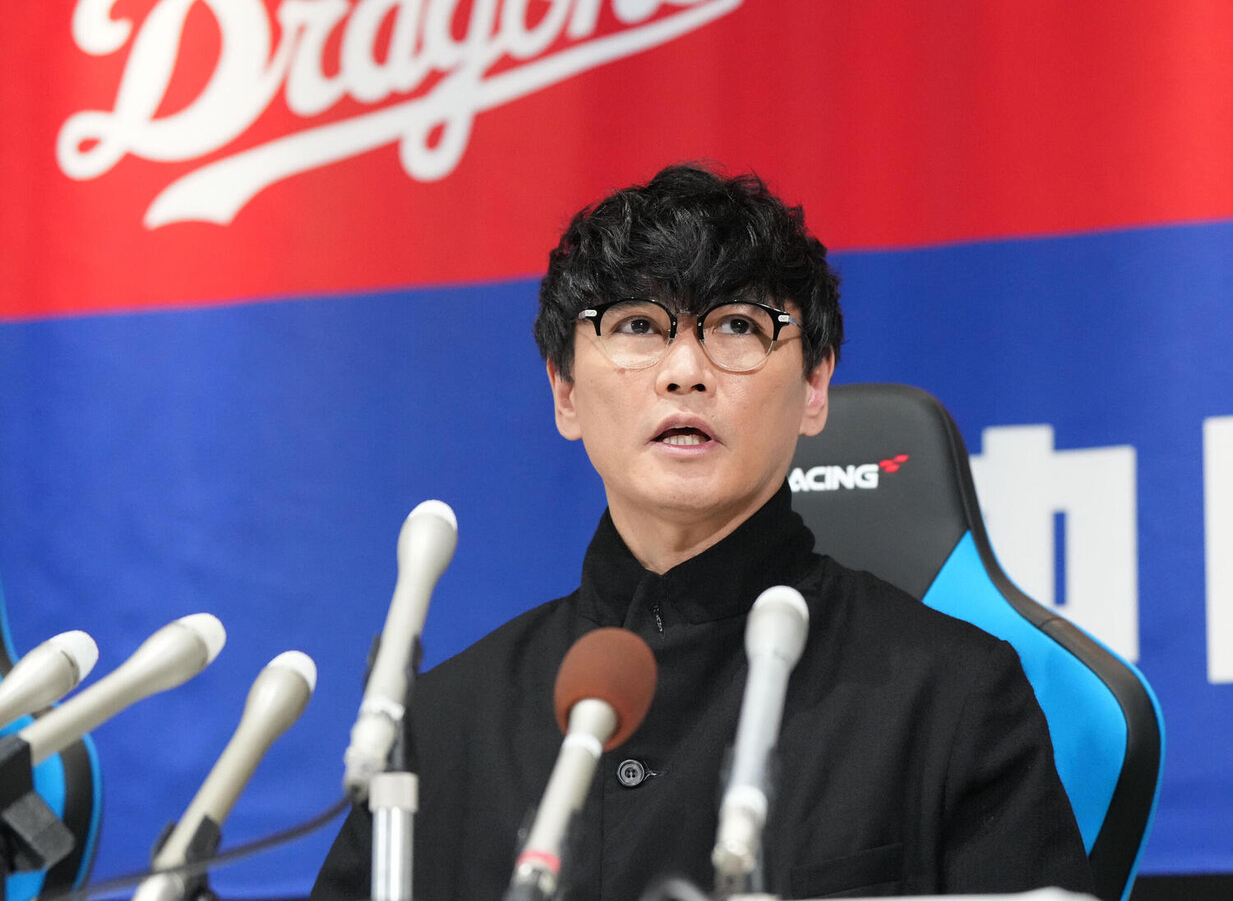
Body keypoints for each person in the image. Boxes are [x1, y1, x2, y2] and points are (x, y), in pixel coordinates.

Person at [311, 163, 1094, 900]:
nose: (684, 370)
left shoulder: (949, 696)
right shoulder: (445, 728)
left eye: (737, 326)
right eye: (637, 325)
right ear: (565, 393)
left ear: (814, 387)